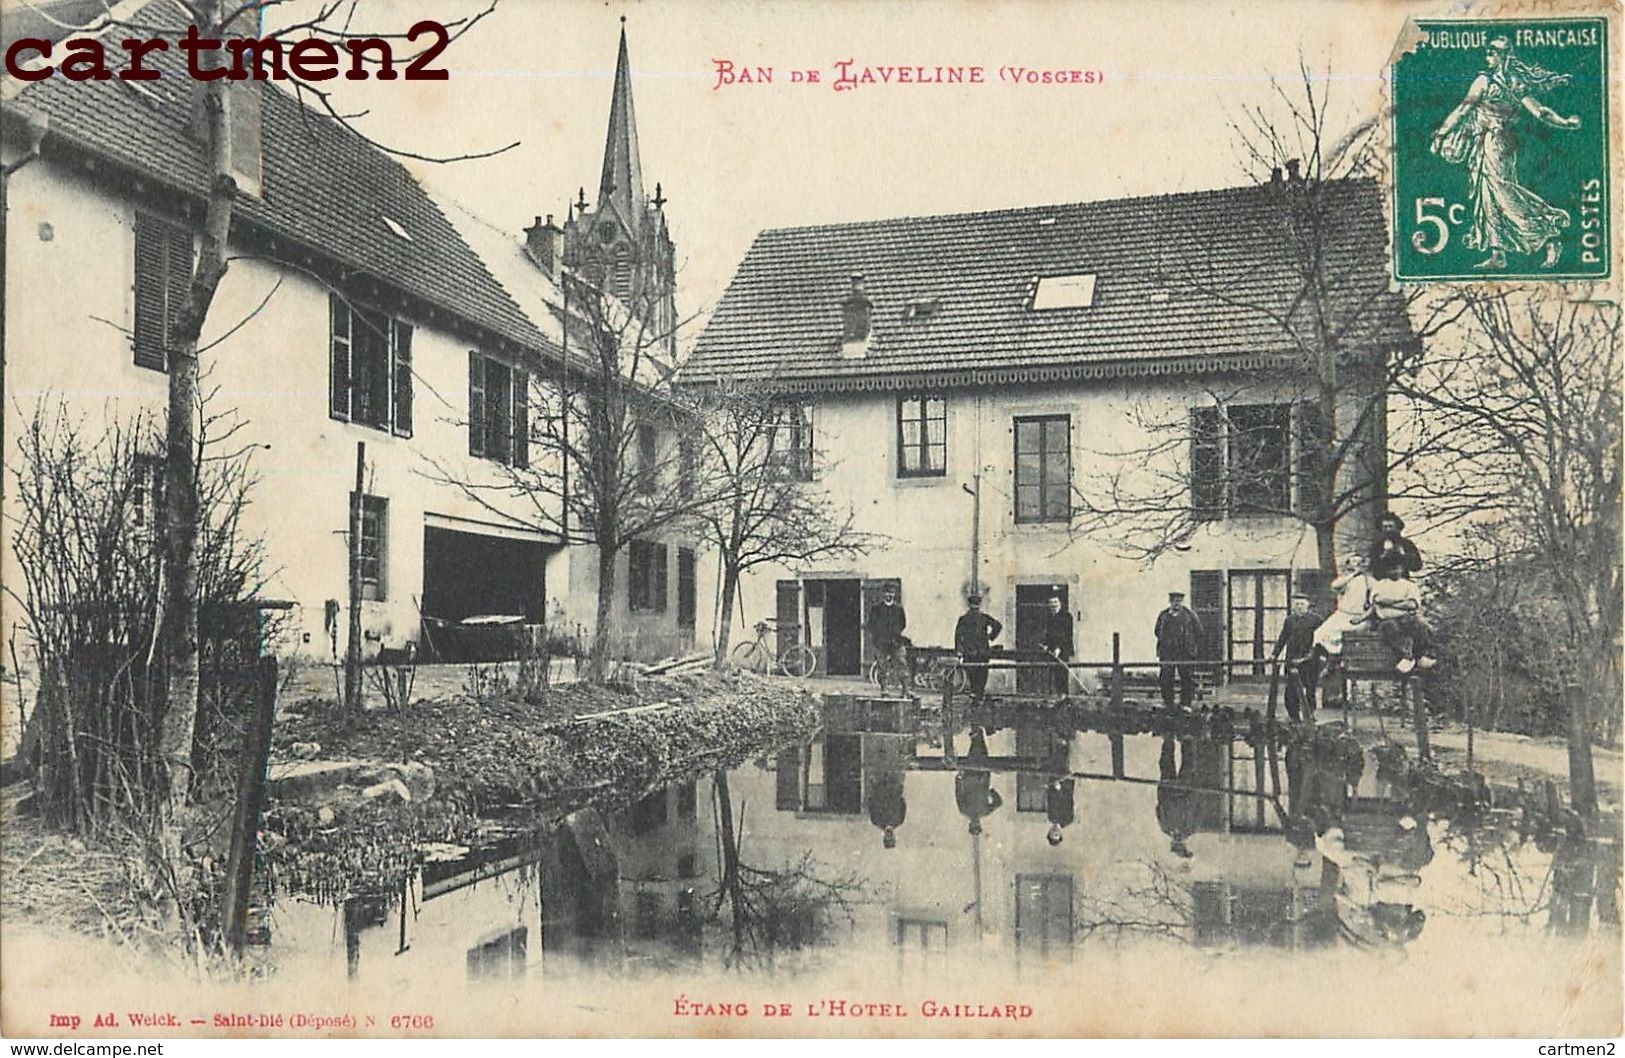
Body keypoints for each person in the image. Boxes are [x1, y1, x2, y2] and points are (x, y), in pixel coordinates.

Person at [1430, 37, 1582, 271]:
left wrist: (1565, 123)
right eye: (1487, 52)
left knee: (1502, 192)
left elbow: (1539, 112)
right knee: (1487, 195)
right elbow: (1466, 109)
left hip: (1496, 143)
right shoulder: (1507, 81)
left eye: (1492, 53)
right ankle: (1497, 253)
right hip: (1486, 143)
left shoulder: (1492, 82)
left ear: (1504, 56)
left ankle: (1549, 234)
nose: (1487, 57)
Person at [1369, 566, 1437, 674]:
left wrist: (1390, 603)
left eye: (1396, 568)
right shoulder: (1380, 585)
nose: (1394, 571)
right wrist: (1402, 601)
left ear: (1402, 569)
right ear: (1386, 570)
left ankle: (1423, 655)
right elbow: (1379, 599)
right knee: (1389, 628)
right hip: (1386, 619)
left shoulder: (1409, 585)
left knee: (1420, 625)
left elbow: (1412, 604)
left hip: (1406, 618)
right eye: (1391, 568)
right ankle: (1407, 657)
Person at [1315, 553, 1375, 658]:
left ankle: (1335, 660)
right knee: (1319, 634)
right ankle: (1326, 659)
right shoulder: (1345, 579)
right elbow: (1335, 586)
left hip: (1357, 616)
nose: (1356, 564)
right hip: (1341, 615)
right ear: (1348, 565)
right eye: (1353, 561)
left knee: (1339, 634)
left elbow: (1376, 597)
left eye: (1359, 562)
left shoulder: (1368, 580)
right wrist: (1353, 575)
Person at [1273, 594, 1322, 722]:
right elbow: (1283, 637)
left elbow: (1321, 640)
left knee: (1310, 687)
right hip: (1292, 658)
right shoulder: (1290, 620)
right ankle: (1293, 715)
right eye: (1296, 604)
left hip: (1310, 660)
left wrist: (1314, 655)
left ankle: (1310, 714)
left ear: (1307, 605)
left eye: (1301, 604)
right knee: (1291, 688)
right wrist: (1275, 653)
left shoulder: (1316, 620)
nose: (1299, 607)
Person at [1154, 590, 1203, 710]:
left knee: (1186, 677)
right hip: (1167, 652)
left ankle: (1186, 703)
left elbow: (1199, 632)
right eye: (1174, 601)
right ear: (1170, 602)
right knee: (1166, 678)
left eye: (1179, 601)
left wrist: (1191, 645)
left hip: (1184, 652)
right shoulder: (1163, 615)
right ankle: (1168, 702)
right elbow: (1157, 631)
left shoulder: (1189, 615)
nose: (1177, 604)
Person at [954, 726, 1003, 835]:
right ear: (980, 824)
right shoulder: (985, 811)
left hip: (969, 776)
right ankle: (977, 731)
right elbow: (998, 803)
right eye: (977, 825)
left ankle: (976, 729)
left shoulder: (964, 810)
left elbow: (958, 792)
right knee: (982, 751)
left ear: (970, 824)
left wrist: (959, 778)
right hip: (982, 776)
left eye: (973, 825)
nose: (975, 823)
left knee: (975, 752)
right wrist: (991, 791)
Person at [954, 594, 1002, 698]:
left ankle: (975, 694)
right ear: (979, 605)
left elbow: (958, 636)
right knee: (982, 675)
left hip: (970, 652)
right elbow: (998, 625)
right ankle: (979, 694)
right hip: (983, 652)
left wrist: (958, 650)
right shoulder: (984, 617)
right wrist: (990, 637)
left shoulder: (964, 619)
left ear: (969, 605)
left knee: (972, 675)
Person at [866, 584, 910, 681]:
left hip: (896, 642)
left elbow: (903, 624)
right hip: (881, 643)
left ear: (894, 594)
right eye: (886, 593)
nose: (888, 595)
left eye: (891, 593)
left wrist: (895, 633)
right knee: (882, 665)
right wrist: (878, 636)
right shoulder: (876, 609)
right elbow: (871, 625)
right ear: (883, 594)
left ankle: (905, 690)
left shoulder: (899, 609)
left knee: (902, 663)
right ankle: (884, 690)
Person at [1368, 512, 1424, 580]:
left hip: (1403, 583)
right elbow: (1372, 568)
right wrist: (1383, 556)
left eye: (1391, 526)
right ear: (1381, 529)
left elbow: (1417, 566)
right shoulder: (1376, 546)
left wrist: (1403, 555)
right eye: (1385, 527)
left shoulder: (1407, 544)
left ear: (1397, 527)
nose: (1388, 530)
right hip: (1382, 584)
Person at [1040, 591, 1074, 696]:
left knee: (1062, 673)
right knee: (1053, 673)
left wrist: (1059, 648)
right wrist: (1046, 644)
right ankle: (1056, 695)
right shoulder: (1050, 617)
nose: (1053, 604)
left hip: (1063, 649)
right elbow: (1049, 634)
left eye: (1055, 602)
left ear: (1060, 603)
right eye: (1051, 602)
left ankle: (1064, 696)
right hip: (1052, 650)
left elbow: (1066, 635)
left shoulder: (1066, 616)